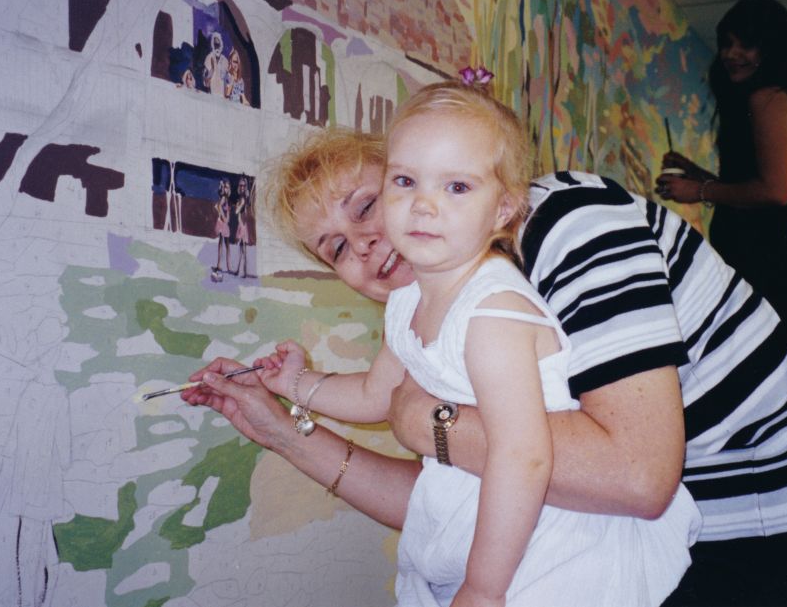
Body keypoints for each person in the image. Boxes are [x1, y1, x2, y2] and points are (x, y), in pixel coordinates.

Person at [185, 108, 787, 605]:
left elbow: (632, 475)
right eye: (335, 248)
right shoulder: (424, 300)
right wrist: (287, 411)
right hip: (640, 528)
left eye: (370, 204)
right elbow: (460, 491)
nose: (367, 242)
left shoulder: (567, 228)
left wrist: (424, 420)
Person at [250, 81, 700, 606]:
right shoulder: (407, 304)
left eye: (454, 188)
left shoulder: (492, 312)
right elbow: (376, 394)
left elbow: (522, 455)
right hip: (489, 533)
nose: (420, 208)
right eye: (337, 249)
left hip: (559, 547)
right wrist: (297, 383)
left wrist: (484, 589)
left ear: (504, 208)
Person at [655, 0, 787, 346]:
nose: (731, 54)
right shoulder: (767, 99)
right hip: (760, 261)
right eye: (727, 43)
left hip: (762, 265)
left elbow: (774, 191)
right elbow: (750, 186)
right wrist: (696, 174)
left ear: (771, 50)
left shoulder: (767, 99)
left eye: (746, 45)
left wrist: (699, 191)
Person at [213, 178, 231, 274]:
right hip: (222, 223)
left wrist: (226, 218)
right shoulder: (223, 198)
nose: (225, 189)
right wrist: (224, 218)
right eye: (224, 187)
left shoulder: (225, 198)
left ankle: (221, 265)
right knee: (224, 244)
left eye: (227, 187)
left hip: (223, 223)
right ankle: (225, 265)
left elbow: (220, 207)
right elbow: (219, 206)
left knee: (223, 244)